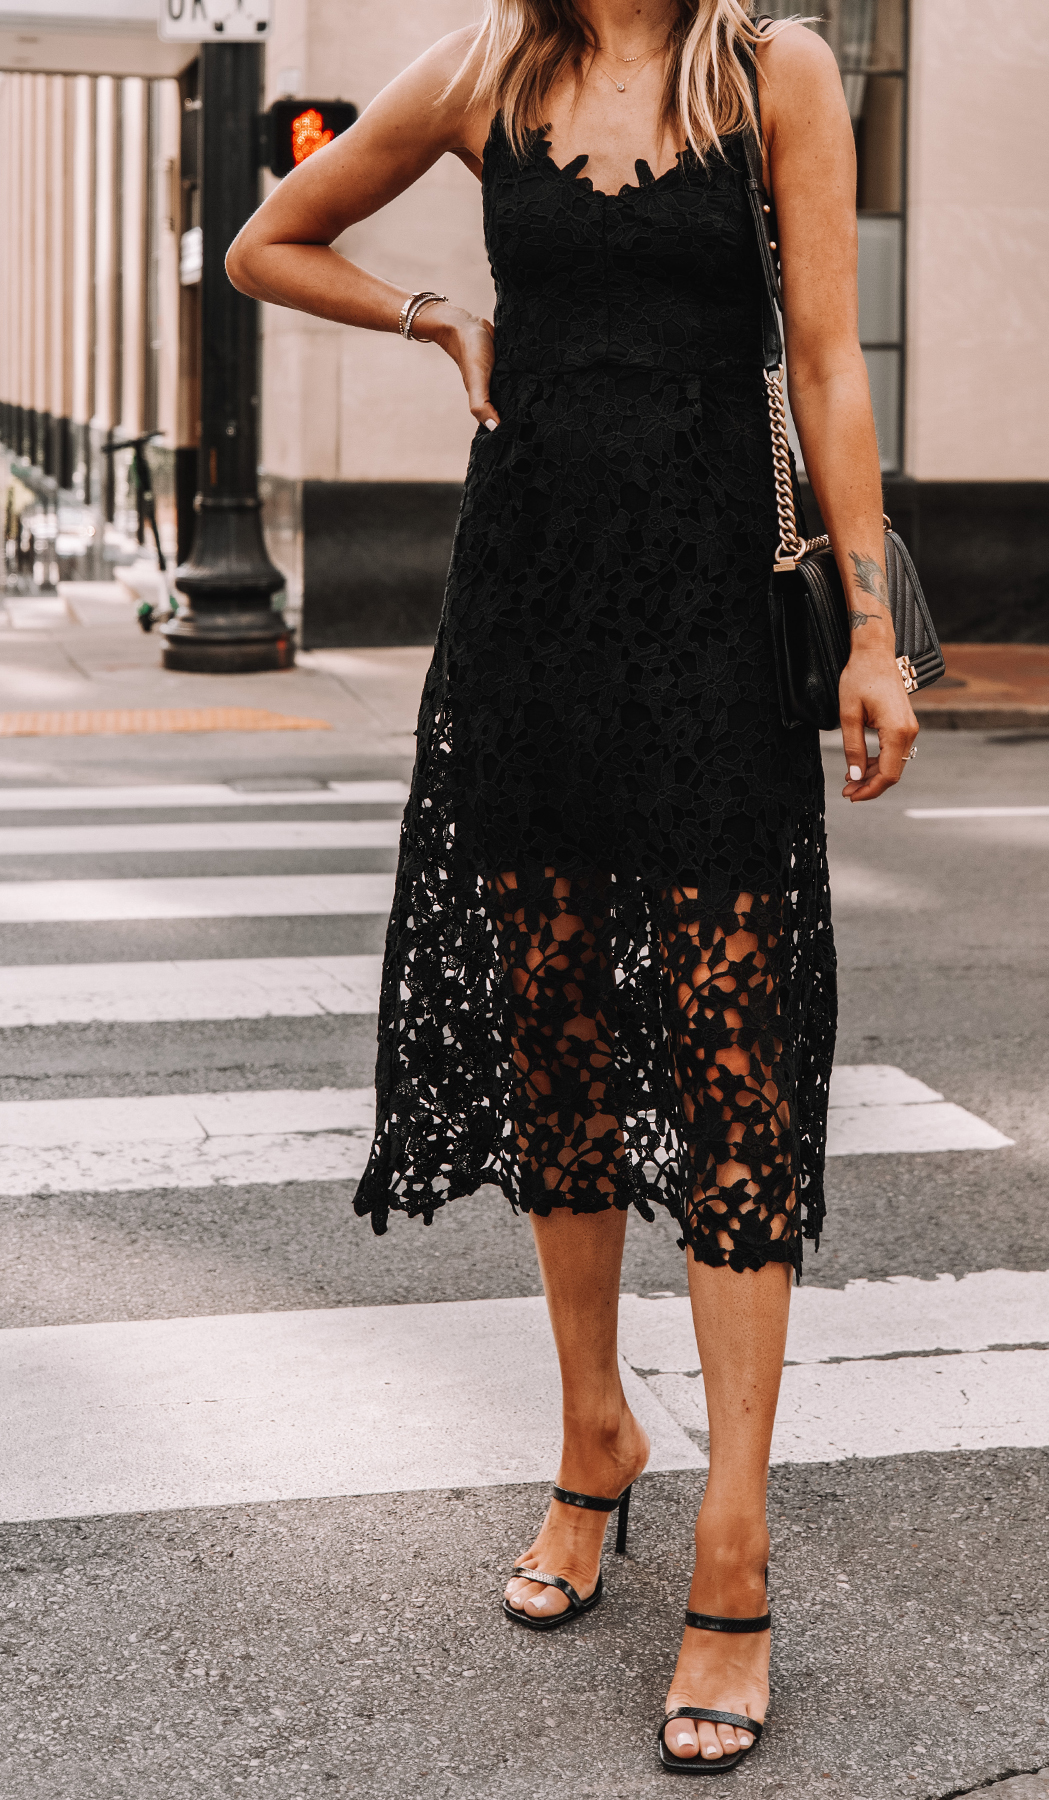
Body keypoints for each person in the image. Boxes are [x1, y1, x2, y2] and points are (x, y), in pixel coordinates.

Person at [227, 0, 917, 1772]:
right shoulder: (486, 69)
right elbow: (267, 242)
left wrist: (869, 632)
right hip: (526, 604)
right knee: (557, 1043)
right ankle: (594, 1431)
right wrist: (431, 312)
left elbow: (828, 359)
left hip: (708, 614)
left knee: (730, 1059)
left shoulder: (776, 70)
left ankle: (736, 1536)